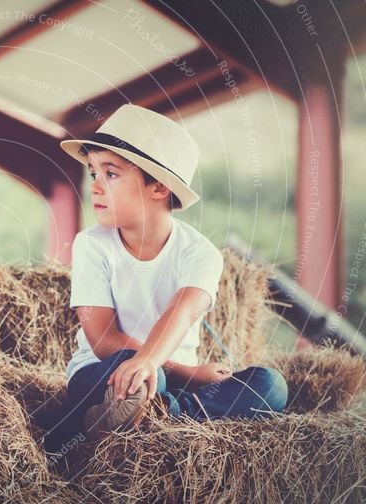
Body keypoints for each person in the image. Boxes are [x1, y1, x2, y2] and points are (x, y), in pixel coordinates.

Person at [43, 104, 288, 455]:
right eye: (93, 173)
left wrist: (157, 368)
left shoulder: (200, 254)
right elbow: (102, 339)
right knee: (125, 369)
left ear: (158, 187)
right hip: (107, 372)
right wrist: (184, 372)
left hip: (168, 385)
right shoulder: (91, 245)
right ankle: (148, 409)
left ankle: (161, 413)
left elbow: (183, 310)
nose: (95, 187)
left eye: (110, 174)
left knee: (270, 385)